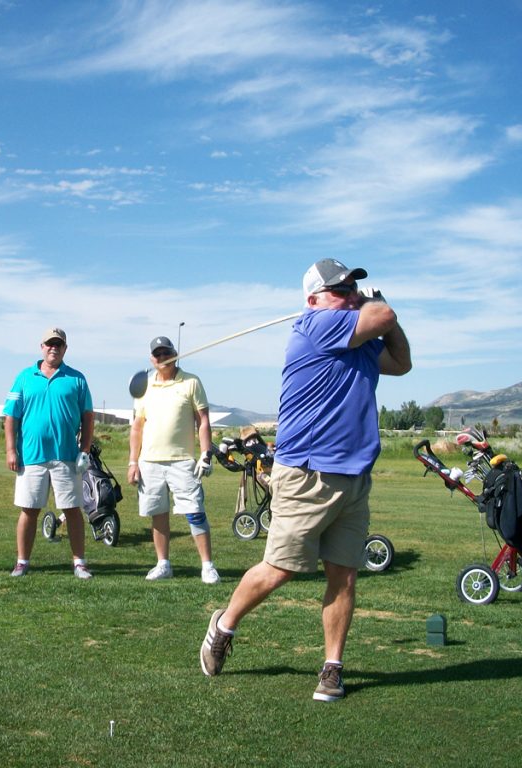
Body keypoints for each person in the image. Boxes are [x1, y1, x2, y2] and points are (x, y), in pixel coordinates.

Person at [199, 259, 412, 702]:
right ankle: (223, 624)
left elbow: (402, 362)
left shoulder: (355, 334)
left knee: (344, 575)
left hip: (354, 475)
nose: (351, 294)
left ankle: (332, 667)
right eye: (341, 289)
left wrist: (376, 315)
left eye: (354, 287)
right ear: (313, 300)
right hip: (306, 473)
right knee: (280, 569)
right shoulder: (315, 327)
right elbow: (385, 316)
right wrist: (377, 303)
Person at [4, 327, 95, 579]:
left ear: (65, 348)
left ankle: (79, 562)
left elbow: (88, 417)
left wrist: (84, 450)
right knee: (29, 509)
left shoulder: (77, 379)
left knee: (72, 510)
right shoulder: (24, 377)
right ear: (41, 347)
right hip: (31, 457)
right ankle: (22, 562)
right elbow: (11, 416)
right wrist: (11, 450)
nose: (54, 348)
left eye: (59, 344)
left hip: (66, 457)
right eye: (49, 344)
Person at [128, 336, 219, 584]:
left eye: (166, 352)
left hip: (182, 460)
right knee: (158, 513)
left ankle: (207, 566)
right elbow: (137, 427)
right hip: (150, 461)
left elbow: (203, 421)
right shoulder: (144, 386)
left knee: (195, 512)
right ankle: (163, 564)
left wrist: (205, 454)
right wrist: (133, 462)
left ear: (175, 353)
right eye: (157, 354)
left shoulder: (191, 382)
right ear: (151, 359)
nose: (162, 358)